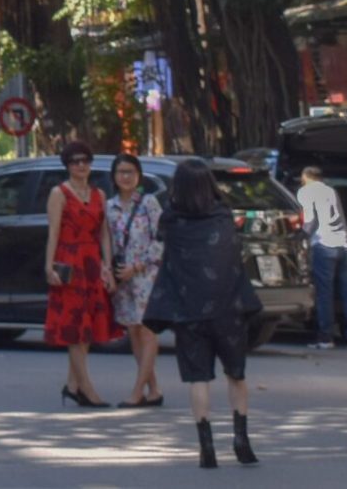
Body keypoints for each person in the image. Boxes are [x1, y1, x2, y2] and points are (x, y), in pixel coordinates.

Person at [143, 158, 260, 469]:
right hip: (227, 309)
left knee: (198, 379)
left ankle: (206, 447)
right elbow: (232, 258)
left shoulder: (171, 220)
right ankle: (241, 439)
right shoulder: (223, 216)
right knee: (236, 374)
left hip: (188, 310)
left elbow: (164, 254)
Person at [44, 140, 117, 407]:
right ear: (67, 165)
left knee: (87, 327)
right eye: (75, 161)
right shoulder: (59, 193)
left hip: (92, 263)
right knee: (74, 327)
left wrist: (107, 265)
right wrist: (49, 266)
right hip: (69, 262)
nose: (81, 165)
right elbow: (53, 232)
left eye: (85, 160)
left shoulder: (99, 195)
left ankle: (73, 384)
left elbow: (104, 233)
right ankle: (86, 388)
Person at [107, 152, 165, 407]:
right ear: (114, 176)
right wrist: (111, 270)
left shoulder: (149, 203)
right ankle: (153, 389)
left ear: (139, 175)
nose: (126, 177)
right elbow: (107, 241)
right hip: (123, 278)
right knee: (133, 331)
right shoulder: (109, 207)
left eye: (130, 172)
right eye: (121, 172)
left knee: (147, 331)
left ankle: (137, 391)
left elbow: (161, 239)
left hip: (146, 275)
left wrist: (138, 266)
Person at [296, 166, 347, 348]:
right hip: (344, 245)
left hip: (324, 245)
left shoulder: (305, 192)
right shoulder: (331, 191)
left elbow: (310, 220)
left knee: (324, 293)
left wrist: (300, 237)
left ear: (305, 177)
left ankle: (325, 338)